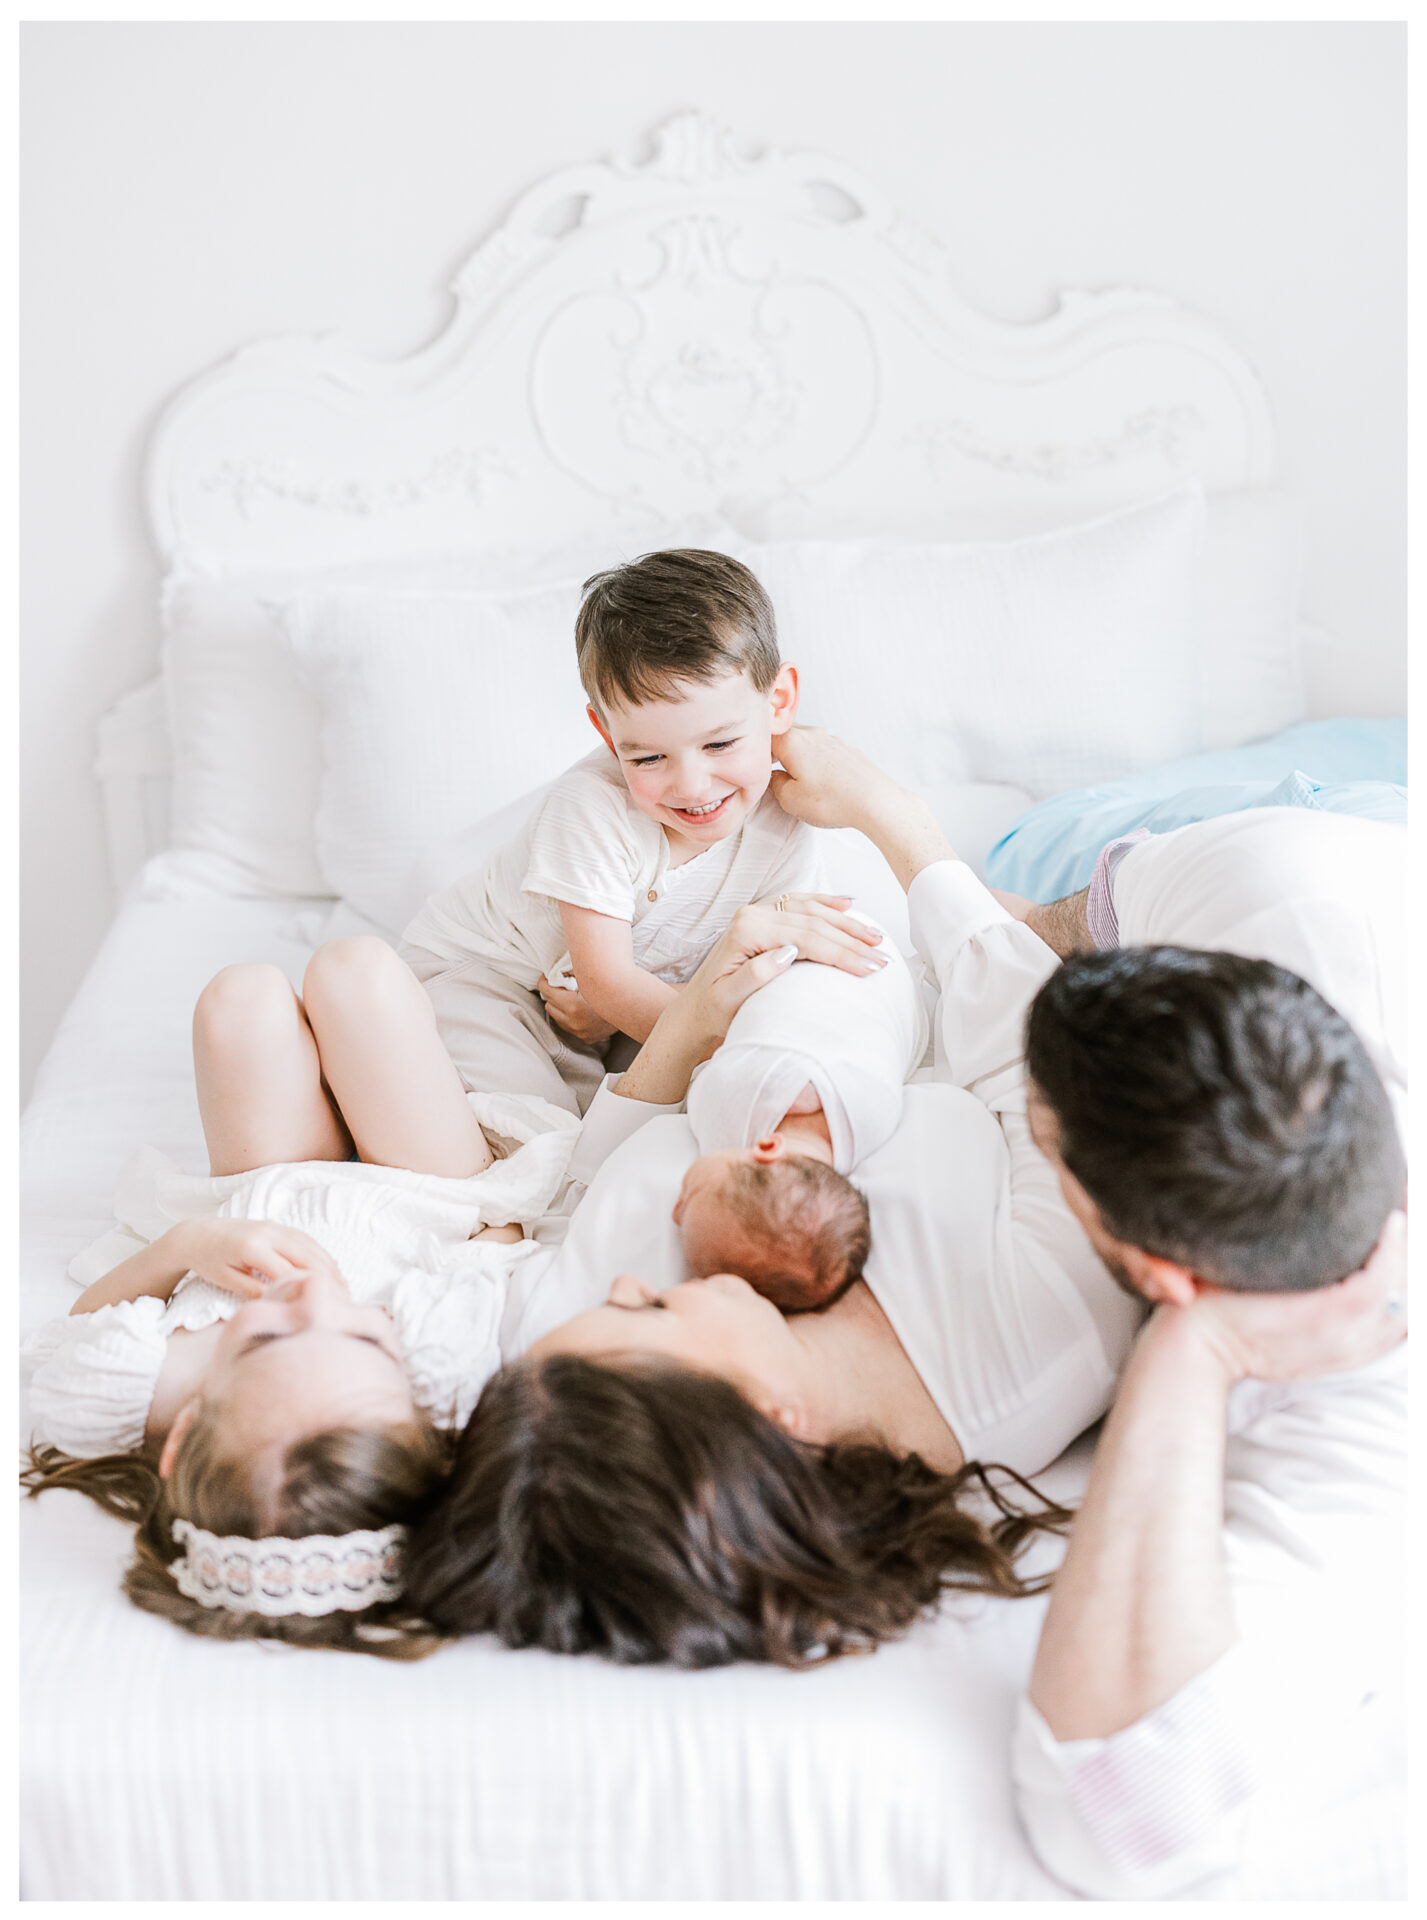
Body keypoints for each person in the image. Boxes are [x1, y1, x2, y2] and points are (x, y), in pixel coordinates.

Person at [401, 734, 1153, 1656]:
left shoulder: (569, 1379)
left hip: (706, 1000)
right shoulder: (1039, 1329)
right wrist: (893, 817)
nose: (628, 1289)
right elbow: (1026, 1046)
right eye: (649, 1316)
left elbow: (589, 1183)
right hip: (906, 968)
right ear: (770, 1417)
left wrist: (705, 1002)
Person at [397, 548, 866, 1118]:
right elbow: (610, 983)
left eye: (719, 744)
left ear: (779, 702)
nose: (692, 786)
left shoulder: (788, 811)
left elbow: (773, 959)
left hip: (594, 1018)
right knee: (545, 1135)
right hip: (486, 982)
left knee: (640, 1112)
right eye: (647, 757)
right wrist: (739, 1053)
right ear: (605, 729)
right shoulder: (591, 808)